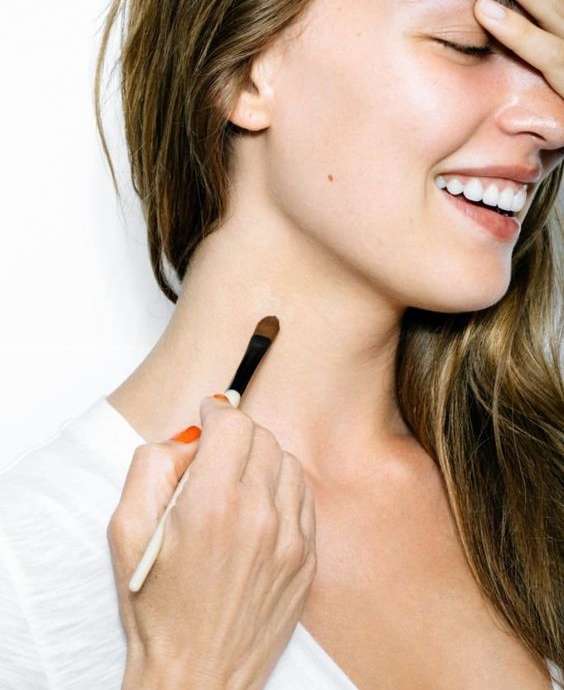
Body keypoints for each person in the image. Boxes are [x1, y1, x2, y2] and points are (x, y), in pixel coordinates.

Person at [1, 0, 563, 688]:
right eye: (468, 46)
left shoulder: (541, 483)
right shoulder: (23, 580)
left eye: (547, 60)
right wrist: (187, 671)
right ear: (245, 73)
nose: (554, 121)